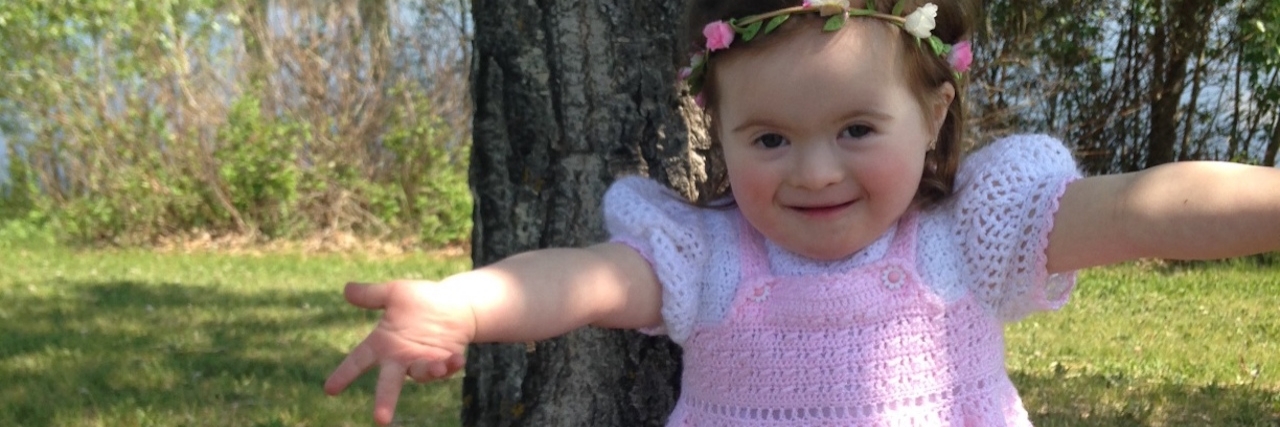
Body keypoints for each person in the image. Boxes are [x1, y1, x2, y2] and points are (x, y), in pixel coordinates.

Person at [323, 0, 1280, 425]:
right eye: (771, 138)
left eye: (857, 128)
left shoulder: (971, 237)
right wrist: (462, 304)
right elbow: (580, 279)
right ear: (719, 128)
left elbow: (1148, 208)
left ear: (933, 113)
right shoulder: (707, 257)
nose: (814, 171)